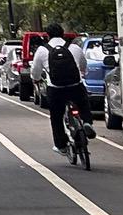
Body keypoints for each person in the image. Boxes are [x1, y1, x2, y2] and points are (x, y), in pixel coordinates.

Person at [34, 24, 89, 152]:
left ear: (47, 36)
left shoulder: (42, 50)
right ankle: (87, 123)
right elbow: (83, 64)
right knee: (83, 103)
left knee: (56, 116)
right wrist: (83, 72)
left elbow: (35, 71)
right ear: (63, 34)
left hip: (56, 89)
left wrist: (35, 78)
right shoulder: (74, 47)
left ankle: (61, 145)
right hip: (75, 86)